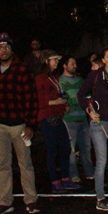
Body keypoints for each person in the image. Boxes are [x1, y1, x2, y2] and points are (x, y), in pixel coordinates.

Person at [0, 32, 40, 214]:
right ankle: (5, 201)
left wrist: (30, 124)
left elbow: (32, 98)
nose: (3, 50)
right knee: (3, 165)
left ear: (12, 50)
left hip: (19, 125)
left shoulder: (22, 69)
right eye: (0, 47)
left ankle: (31, 200)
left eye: (7, 47)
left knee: (25, 164)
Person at [78, 46, 108, 211]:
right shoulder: (96, 75)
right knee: (102, 160)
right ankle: (100, 198)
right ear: (103, 60)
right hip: (100, 124)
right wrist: (89, 110)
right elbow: (81, 94)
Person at [36, 50, 80, 193]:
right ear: (46, 61)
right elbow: (42, 101)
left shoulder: (54, 77)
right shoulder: (41, 78)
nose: (56, 62)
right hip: (47, 118)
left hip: (57, 116)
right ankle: (55, 181)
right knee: (52, 150)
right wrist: (58, 102)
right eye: (54, 59)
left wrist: (63, 106)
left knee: (65, 148)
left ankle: (66, 179)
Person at [58, 55, 93, 183]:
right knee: (71, 149)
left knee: (86, 147)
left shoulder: (80, 80)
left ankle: (89, 172)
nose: (75, 66)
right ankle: (73, 174)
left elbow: (87, 96)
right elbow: (63, 99)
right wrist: (76, 100)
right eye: (72, 63)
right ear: (65, 65)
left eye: (75, 63)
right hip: (69, 119)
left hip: (83, 117)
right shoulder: (60, 81)